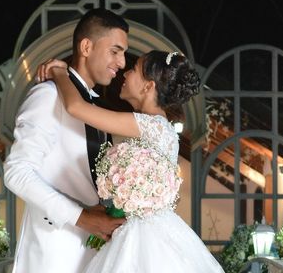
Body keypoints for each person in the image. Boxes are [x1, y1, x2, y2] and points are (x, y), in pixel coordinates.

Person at [37, 50, 226, 273]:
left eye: (134, 69)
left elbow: (76, 108)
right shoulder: (161, 127)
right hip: (155, 229)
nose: (125, 74)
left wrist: (60, 72)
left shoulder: (148, 124)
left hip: (142, 234)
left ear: (148, 86)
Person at [4, 8, 130, 273]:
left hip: (94, 253)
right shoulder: (47, 96)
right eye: (115, 51)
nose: (121, 63)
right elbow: (16, 172)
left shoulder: (95, 107)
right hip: (53, 254)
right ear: (86, 46)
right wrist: (82, 218)